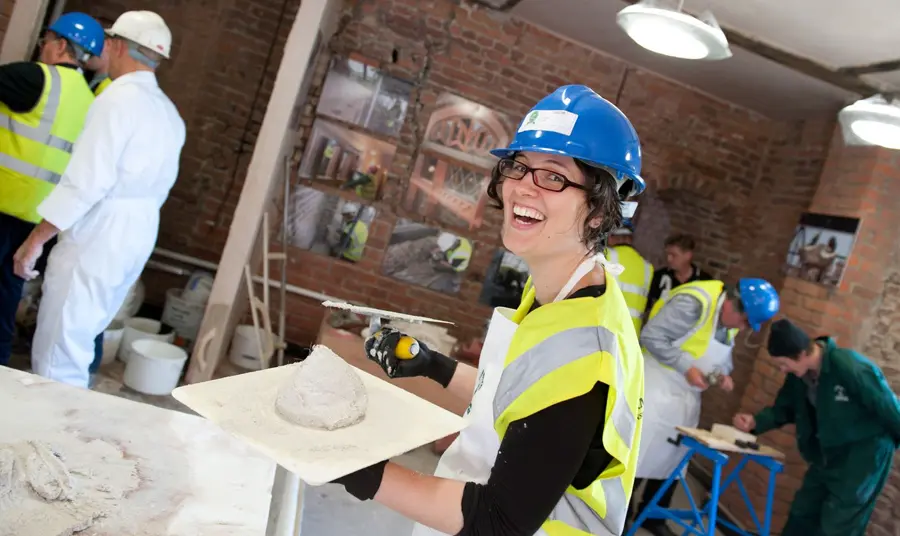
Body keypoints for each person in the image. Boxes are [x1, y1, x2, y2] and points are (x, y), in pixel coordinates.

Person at [330, 84, 647, 536]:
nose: (522, 187)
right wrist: (432, 365)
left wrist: (354, 466)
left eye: (553, 176)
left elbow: (498, 522)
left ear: (600, 210)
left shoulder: (586, 351)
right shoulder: (559, 293)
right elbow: (518, 398)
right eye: (519, 166)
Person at [13, 10, 186, 388]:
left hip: (101, 230)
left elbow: (85, 183)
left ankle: (52, 441)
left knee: (61, 346)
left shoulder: (115, 102)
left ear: (118, 45)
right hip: (137, 232)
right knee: (83, 332)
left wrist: (34, 241)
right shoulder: (169, 114)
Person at [630, 278, 779, 536]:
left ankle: (651, 516)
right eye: (744, 322)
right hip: (656, 386)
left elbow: (721, 356)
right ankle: (619, 517)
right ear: (734, 306)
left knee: (670, 460)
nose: (742, 330)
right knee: (639, 455)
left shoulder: (729, 322)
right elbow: (651, 335)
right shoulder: (694, 303)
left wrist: (722, 374)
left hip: (686, 397)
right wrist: (687, 367)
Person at [0, 12, 104, 367]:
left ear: (60, 45)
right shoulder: (91, 104)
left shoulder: (34, 78)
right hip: (37, 217)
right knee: (5, 294)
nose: (42, 46)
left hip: (3, 202)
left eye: (46, 40)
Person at [733, 319, 900, 536]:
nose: (783, 370)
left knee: (838, 524)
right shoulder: (799, 375)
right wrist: (756, 422)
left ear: (801, 354)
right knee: (802, 511)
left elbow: (889, 409)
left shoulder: (849, 367)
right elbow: (785, 408)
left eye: (784, 364)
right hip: (827, 453)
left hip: (863, 457)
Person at [644, 234, 712, 320]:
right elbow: (646, 305)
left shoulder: (704, 281)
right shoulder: (659, 277)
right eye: (667, 254)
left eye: (674, 255)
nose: (669, 259)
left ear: (688, 255)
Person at [607, 222, 653, 334]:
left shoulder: (606, 255)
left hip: (607, 327)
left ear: (611, 238)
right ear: (630, 239)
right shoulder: (647, 267)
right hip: (632, 334)